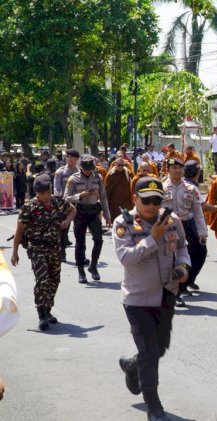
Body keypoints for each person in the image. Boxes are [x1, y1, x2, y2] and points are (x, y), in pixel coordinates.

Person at [114, 176, 190, 421]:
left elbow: (181, 247)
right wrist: (152, 238)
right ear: (135, 198)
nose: (152, 206)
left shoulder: (172, 220)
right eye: (146, 200)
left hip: (167, 293)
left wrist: (183, 267)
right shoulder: (123, 224)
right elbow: (126, 257)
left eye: (156, 200)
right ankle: (153, 405)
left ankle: (131, 364)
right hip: (138, 298)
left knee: (159, 349)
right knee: (149, 351)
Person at [11, 174, 76, 331]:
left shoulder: (57, 201)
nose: (46, 196)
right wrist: (15, 252)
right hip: (37, 248)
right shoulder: (29, 208)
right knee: (42, 280)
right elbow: (19, 231)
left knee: (54, 279)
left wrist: (67, 221)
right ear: (36, 193)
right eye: (42, 193)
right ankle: (41, 314)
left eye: (48, 192)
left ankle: (48, 310)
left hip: (55, 247)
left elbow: (72, 210)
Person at [161, 158, 207, 306]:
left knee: (195, 254)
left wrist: (202, 232)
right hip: (168, 227)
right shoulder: (161, 188)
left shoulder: (190, 189)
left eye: (180, 168)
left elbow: (198, 211)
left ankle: (181, 287)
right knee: (171, 260)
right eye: (174, 168)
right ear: (168, 169)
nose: (177, 171)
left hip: (186, 226)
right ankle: (172, 292)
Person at [64, 155, 111, 284]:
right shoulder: (73, 179)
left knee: (98, 240)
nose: (88, 171)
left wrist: (107, 216)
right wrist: (81, 195)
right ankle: (81, 271)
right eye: (86, 169)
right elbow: (66, 198)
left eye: (90, 169)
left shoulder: (98, 178)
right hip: (79, 212)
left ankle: (93, 266)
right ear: (81, 168)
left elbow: (103, 197)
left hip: (94, 212)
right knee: (80, 243)